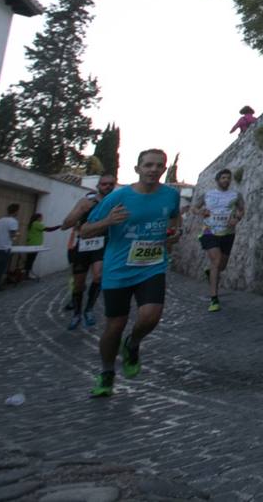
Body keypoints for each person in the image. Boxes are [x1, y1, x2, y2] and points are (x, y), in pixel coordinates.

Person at [82, 149, 182, 397]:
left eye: (159, 166)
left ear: (164, 169)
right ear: (137, 169)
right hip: (118, 269)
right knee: (115, 326)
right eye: (148, 165)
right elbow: (84, 230)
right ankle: (106, 372)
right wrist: (107, 222)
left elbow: (174, 219)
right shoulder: (118, 197)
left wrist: (174, 233)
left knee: (150, 316)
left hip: (152, 266)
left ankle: (133, 343)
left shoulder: (171, 195)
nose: (153, 170)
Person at [61, 173, 116, 328]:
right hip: (83, 244)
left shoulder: (117, 203)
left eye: (111, 184)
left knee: (99, 276)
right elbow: (67, 223)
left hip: (103, 243)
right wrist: (79, 213)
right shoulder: (86, 202)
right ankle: (77, 313)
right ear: (98, 186)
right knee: (78, 283)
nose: (108, 187)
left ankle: (89, 310)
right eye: (104, 184)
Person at [193, 168, 244, 312]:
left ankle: (210, 272)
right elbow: (194, 208)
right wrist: (200, 212)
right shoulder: (207, 195)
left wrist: (237, 219)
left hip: (228, 233)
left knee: (222, 266)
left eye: (228, 178)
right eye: (223, 178)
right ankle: (214, 299)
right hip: (209, 232)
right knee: (216, 261)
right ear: (217, 180)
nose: (226, 180)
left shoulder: (236, 195)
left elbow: (241, 209)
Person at [22, 213, 46, 277]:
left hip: (30, 243)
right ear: (38, 218)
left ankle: (26, 273)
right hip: (35, 245)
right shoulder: (37, 223)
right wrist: (58, 227)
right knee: (31, 259)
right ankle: (27, 273)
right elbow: (47, 229)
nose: (42, 219)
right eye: (41, 217)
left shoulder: (32, 223)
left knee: (29, 259)